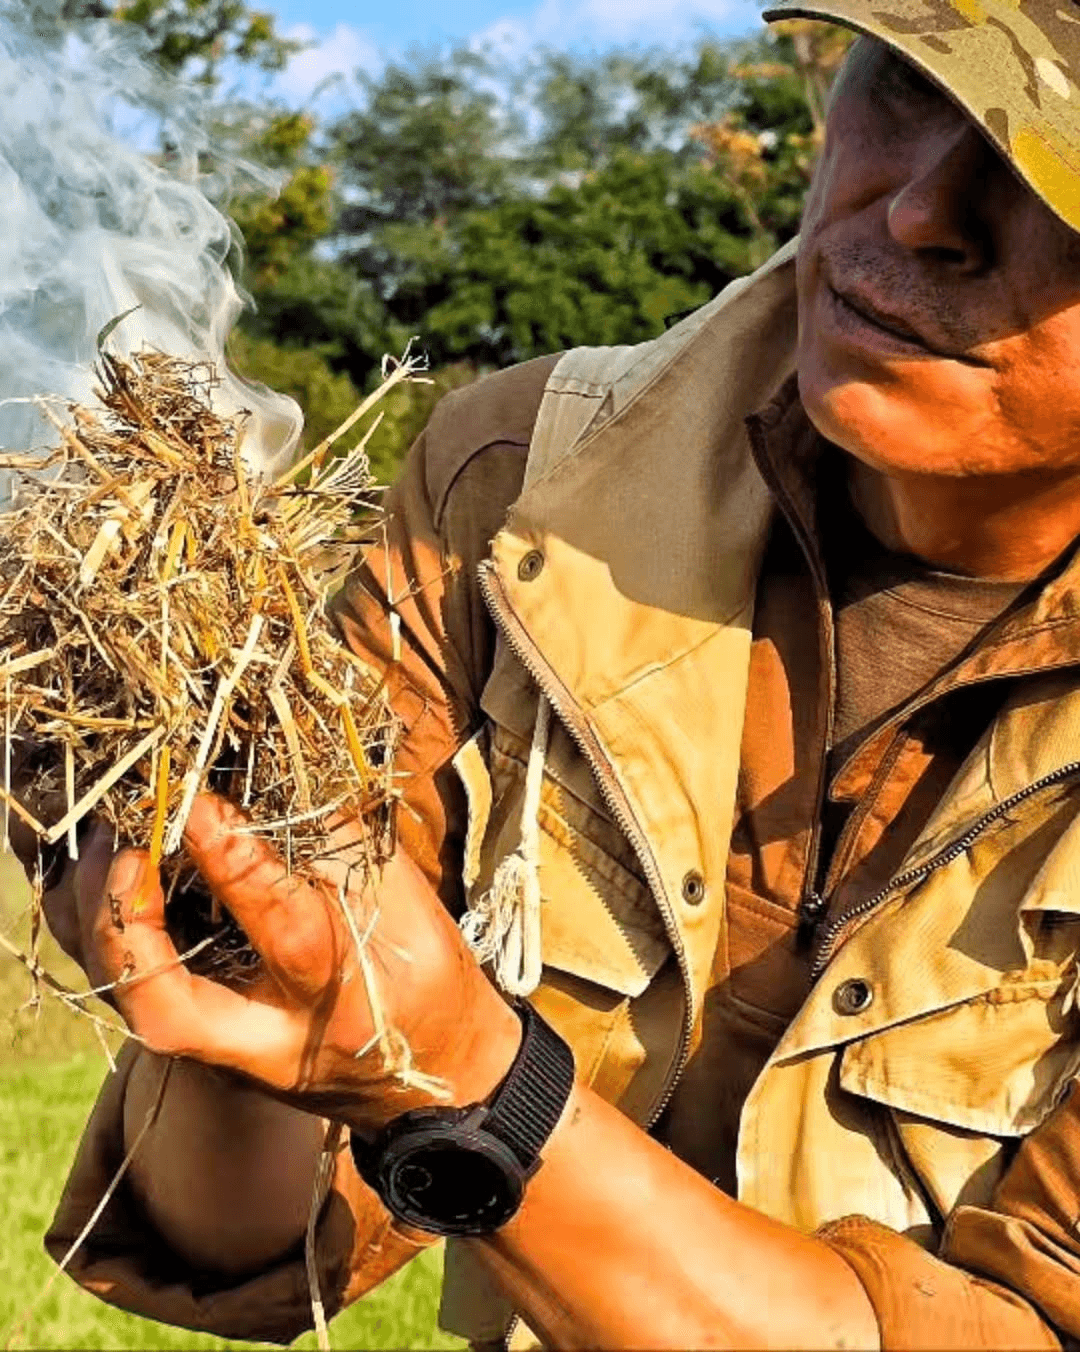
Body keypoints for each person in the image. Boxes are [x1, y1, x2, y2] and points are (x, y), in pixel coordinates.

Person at [32, 0, 1080, 1345]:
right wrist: (217, 953)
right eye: (909, 85)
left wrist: (477, 1082)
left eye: (1046, 176)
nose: (922, 210)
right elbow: (245, 1240)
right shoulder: (519, 487)